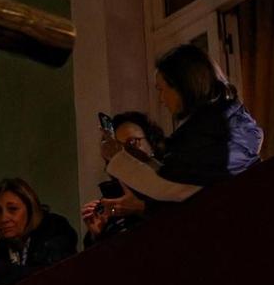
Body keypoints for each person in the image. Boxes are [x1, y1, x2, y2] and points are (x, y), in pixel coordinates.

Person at [101, 44, 263, 205]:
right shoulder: (226, 120)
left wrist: (117, 158)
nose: (161, 99)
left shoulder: (208, 133)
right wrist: (145, 161)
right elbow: (181, 176)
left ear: (182, 86)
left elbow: (172, 188)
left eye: (161, 89)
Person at [0, 178, 76, 285]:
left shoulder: (55, 228)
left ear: (31, 209)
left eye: (13, 209)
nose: (4, 218)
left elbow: (49, 276)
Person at [81, 111, 166, 243]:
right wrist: (100, 234)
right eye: (118, 147)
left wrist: (140, 208)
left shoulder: (171, 178)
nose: (125, 152)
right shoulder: (114, 196)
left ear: (151, 143)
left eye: (132, 142)